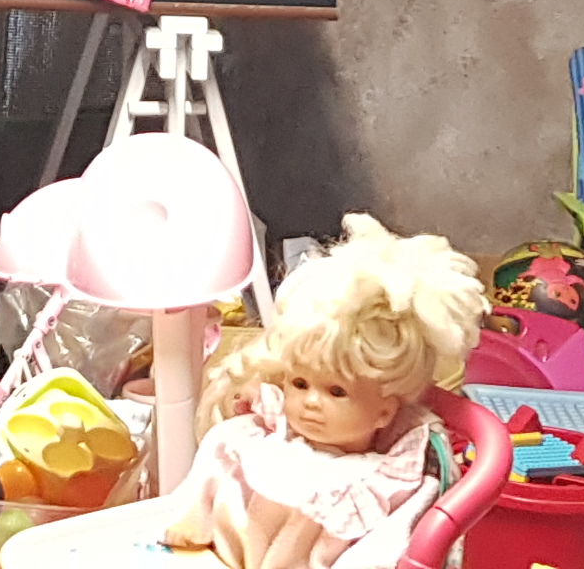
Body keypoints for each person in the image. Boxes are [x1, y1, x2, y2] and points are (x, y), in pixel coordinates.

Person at [159, 217, 490, 569]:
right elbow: (216, 465)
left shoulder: (388, 482)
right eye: (299, 384)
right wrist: (193, 517)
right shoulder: (262, 437)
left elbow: (387, 549)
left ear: (384, 411)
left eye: (336, 391)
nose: (311, 402)